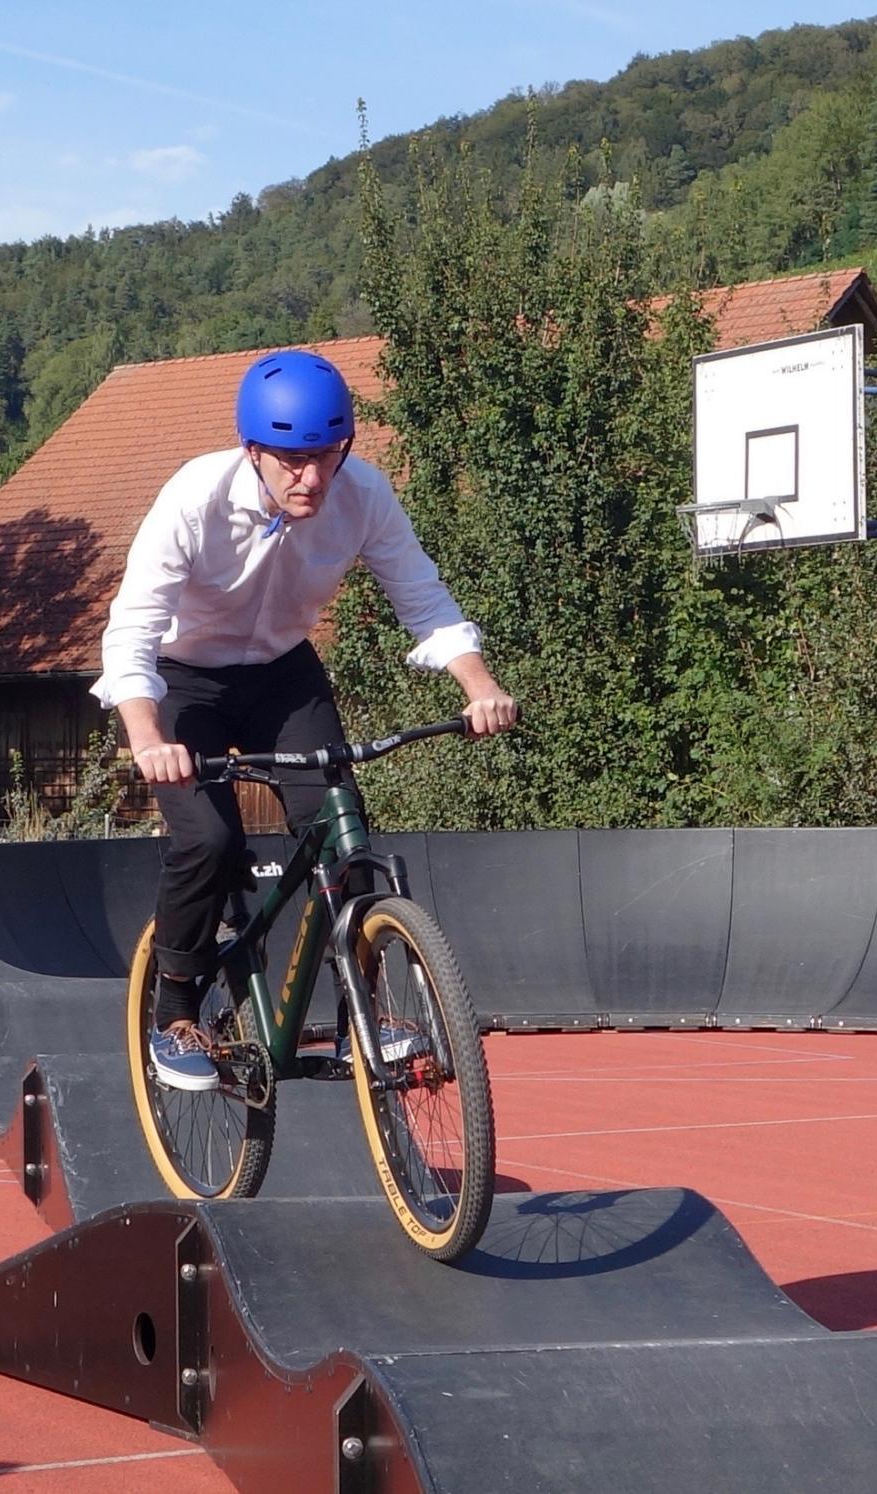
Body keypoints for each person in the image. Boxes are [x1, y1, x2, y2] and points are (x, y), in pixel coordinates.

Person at [93, 349, 517, 1090]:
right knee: (210, 837)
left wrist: (478, 685)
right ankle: (176, 1011)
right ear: (253, 451)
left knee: (341, 830)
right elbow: (133, 628)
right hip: (183, 678)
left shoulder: (364, 495)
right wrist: (147, 737)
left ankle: (369, 1009)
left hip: (283, 675)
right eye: (290, 460)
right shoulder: (194, 498)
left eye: (324, 456)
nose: (311, 478)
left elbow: (422, 596)